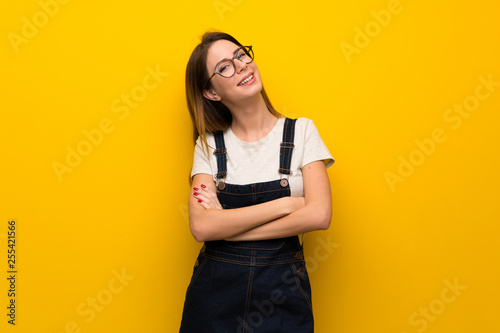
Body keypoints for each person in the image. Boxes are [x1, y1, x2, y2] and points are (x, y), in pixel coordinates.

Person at [179, 31, 334, 333]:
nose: (241, 66)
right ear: (211, 92)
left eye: (241, 55)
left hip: (282, 298)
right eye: (224, 67)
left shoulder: (302, 132)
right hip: (214, 301)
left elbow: (319, 214)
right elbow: (202, 227)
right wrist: (287, 204)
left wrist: (229, 228)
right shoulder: (208, 145)